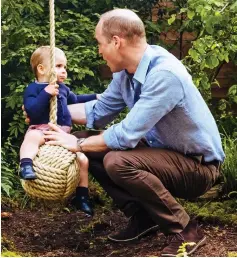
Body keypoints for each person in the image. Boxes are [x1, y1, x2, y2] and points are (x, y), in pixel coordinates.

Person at [27, 9, 225, 256]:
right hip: (163, 154)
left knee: (115, 159)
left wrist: (76, 144)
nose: (99, 51)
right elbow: (99, 111)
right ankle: (144, 216)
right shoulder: (125, 73)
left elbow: (126, 135)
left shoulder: (164, 75)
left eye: (100, 44)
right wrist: (44, 113)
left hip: (197, 168)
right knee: (89, 143)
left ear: (116, 41)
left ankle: (185, 231)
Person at [20, 46, 100, 216]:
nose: (63, 71)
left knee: (82, 160)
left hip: (63, 135)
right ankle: (26, 165)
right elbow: (32, 111)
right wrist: (46, 93)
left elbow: (77, 99)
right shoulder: (33, 89)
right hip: (42, 130)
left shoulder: (62, 88)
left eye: (65, 67)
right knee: (32, 137)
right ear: (41, 69)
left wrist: (96, 96)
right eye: (58, 66)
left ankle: (82, 197)